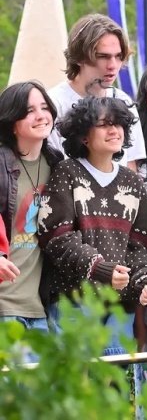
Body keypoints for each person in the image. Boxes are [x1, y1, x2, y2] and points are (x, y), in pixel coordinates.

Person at [37, 96, 147, 356]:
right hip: (74, 304)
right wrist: (100, 268)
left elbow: (140, 247)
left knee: (114, 391)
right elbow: (56, 237)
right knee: (74, 389)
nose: (113, 130)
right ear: (83, 136)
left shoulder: (134, 182)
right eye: (103, 124)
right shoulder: (66, 172)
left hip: (118, 310)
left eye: (118, 124)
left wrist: (144, 283)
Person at [0, 81, 63, 338]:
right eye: (29, 111)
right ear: (12, 121)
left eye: (44, 107)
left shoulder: (56, 164)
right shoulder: (1, 163)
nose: (40, 116)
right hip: (5, 305)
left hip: (39, 309)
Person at [47, 13, 146, 171]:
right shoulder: (52, 104)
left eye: (119, 56)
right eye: (103, 56)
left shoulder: (123, 101)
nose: (113, 65)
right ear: (79, 57)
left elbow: (131, 165)